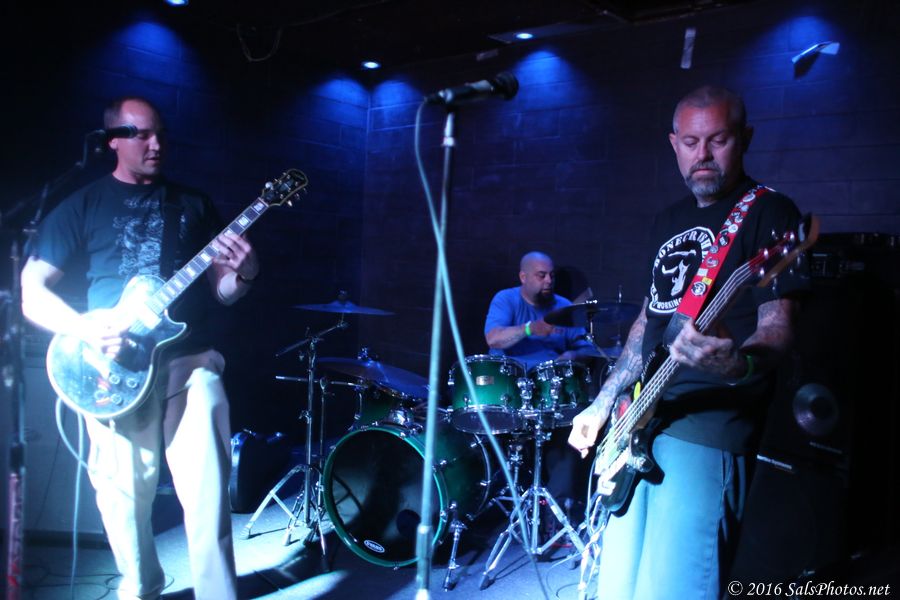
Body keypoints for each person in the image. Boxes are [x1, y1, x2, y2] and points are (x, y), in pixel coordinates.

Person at [568, 85, 807, 600]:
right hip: (640, 419)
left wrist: (737, 364)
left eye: (718, 140)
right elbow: (645, 325)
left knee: (672, 588)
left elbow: (778, 328)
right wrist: (602, 403)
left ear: (744, 139)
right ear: (674, 144)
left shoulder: (770, 213)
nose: (703, 154)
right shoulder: (668, 220)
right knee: (617, 587)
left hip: (708, 428)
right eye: (692, 142)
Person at [20, 96, 257, 599]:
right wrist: (83, 329)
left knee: (208, 494)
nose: (155, 144)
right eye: (141, 134)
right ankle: (142, 586)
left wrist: (245, 272)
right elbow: (32, 291)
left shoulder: (192, 203)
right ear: (113, 140)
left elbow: (223, 291)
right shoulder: (82, 204)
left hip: (189, 364)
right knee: (123, 499)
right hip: (114, 369)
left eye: (161, 134)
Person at [484, 251, 596, 522]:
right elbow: (493, 338)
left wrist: (573, 354)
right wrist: (530, 329)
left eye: (551, 276)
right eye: (541, 275)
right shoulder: (506, 299)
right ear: (523, 277)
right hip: (511, 391)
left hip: (551, 392)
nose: (548, 281)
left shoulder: (563, 306)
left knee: (571, 435)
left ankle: (557, 515)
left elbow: (587, 347)